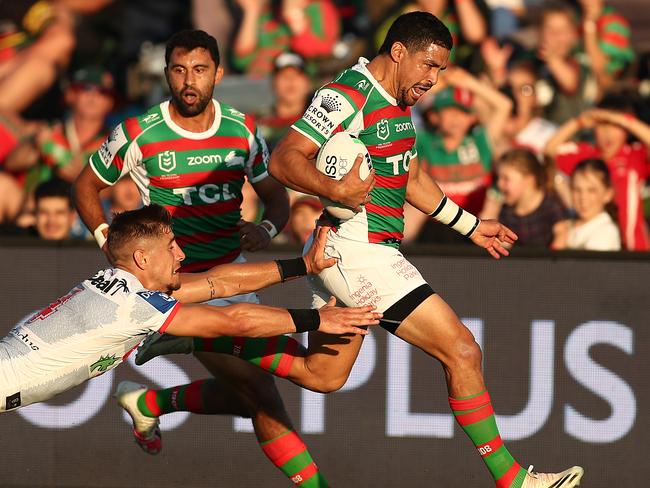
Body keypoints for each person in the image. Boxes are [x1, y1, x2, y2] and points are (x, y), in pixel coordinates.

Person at [261, 11, 582, 488]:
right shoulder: (346, 95)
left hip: (360, 248)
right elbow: (284, 158)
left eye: (440, 70)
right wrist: (335, 187)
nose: (433, 80)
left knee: (323, 376)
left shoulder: (395, 98)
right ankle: (514, 480)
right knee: (462, 351)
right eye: (428, 66)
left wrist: (469, 226)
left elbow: (409, 176)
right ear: (398, 52)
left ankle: (213, 339)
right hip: (356, 249)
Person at [72, 29, 331, 487]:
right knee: (264, 391)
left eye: (199, 69)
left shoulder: (242, 129)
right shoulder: (139, 132)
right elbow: (85, 186)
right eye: (178, 70)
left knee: (248, 396)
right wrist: (112, 249)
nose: (188, 81)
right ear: (167, 73)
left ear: (218, 73)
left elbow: (275, 197)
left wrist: (267, 229)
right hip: (178, 286)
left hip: (234, 276)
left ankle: (149, 404)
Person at [0, 204, 379, 413]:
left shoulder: (123, 289)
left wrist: (303, 267)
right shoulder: (133, 305)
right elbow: (235, 320)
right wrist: (316, 319)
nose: (181, 254)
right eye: (171, 247)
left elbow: (219, 283)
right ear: (142, 258)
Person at [403, 66, 512, 242]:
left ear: (472, 118)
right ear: (434, 116)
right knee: (413, 207)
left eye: (462, 113)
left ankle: (496, 265)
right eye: (449, 111)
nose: (455, 119)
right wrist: (441, 84)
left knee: (495, 201)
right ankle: (398, 255)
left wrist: (469, 82)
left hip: (478, 221)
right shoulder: (423, 140)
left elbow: (504, 106)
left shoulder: (481, 140)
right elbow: (402, 107)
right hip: (435, 222)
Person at [544, 95, 650, 250]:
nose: (608, 133)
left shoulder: (634, 155)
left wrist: (623, 120)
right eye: (602, 125)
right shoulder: (585, 155)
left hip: (636, 249)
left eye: (615, 126)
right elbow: (549, 151)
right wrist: (579, 122)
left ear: (626, 130)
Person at [496, 148, 567, 248]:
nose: (499, 184)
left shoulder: (550, 204)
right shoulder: (506, 210)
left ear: (528, 180)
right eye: (498, 178)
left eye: (506, 179)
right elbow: (503, 244)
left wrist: (550, 260)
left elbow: (561, 235)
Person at [552, 158, 620, 251]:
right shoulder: (566, 226)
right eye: (577, 190)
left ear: (608, 194)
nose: (583, 198)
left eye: (592, 191)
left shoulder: (606, 232)